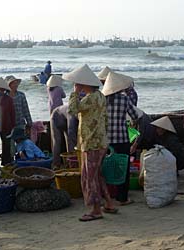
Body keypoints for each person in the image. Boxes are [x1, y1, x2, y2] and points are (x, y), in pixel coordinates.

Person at [64, 64, 117, 222]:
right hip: (100, 140)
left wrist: (74, 93)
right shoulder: (100, 96)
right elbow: (105, 119)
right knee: (97, 175)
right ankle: (108, 203)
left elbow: (72, 110)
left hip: (91, 142)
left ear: (84, 84)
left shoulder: (90, 98)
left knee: (89, 177)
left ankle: (95, 210)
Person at [102, 71, 139, 205]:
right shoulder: (124, 99)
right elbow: (135, 115)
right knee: (123, 168)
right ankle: (122, 198)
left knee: (106, 167)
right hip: (122, 139)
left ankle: (107, 196)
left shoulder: (102, 100)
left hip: (105, 140)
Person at [50, 104, 79, 169]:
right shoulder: (72, 111)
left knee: (70, 143)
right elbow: (71, 134)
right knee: (57, 142)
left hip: (65, 120)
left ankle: (69, 163)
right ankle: (56, 164)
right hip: (56, 118)